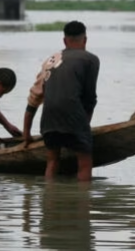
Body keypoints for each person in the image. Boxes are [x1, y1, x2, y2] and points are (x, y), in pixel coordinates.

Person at [22, 21, 100, 182]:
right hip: (74, 117)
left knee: (52, 161)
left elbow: (34, 97)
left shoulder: (51, 60)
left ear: (64, 41)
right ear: (85, 40)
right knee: (84, 163)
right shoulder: (90, 59)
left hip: (48, 120)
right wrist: (85, 125)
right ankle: (83, 202)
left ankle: (49, 198)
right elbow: (90, 97)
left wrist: (26, 133)